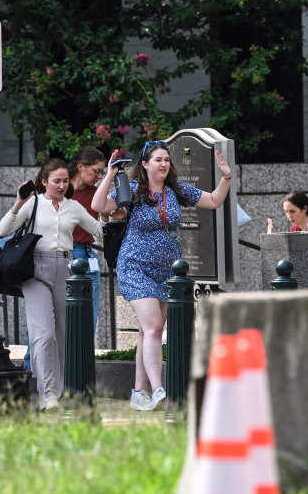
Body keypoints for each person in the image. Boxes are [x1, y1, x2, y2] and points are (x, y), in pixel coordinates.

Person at [91, 141, 232, 411]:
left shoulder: (175, 190)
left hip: (166, 270)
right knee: (155, 327)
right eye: (158, 159)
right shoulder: (132, 189)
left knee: (148, 331)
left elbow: (214, 200)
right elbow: (99, 205)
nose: (164, 164)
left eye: (167, 159)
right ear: (145, 165)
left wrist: (226, 176)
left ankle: (138, 392)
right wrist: (110, 174)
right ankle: (158, 389)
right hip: (135, 266)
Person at [0, 158, 104, 411]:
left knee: (62, 334)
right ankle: (48, 394)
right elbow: (3, 230)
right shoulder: (33, 202)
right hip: (35, 270)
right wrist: (18, 203)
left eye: (65, 181)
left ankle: (62, 389)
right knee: (43, 334)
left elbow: (99, 230)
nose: (61, 185)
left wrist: (115, 215)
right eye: (56, 181)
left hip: (65, 268)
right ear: (44, 182)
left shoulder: (74, 206)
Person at [68, 147, 108, 330]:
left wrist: (109, 215)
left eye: (102, 172)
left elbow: (103, 226)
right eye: (96, 171)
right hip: (61, 254)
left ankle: (82, 357)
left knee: (87, 319)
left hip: (87, 254)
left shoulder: (96, 193)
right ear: (80, 167)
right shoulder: (59, 188)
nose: (99, 176)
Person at [267, 190, 308, 263]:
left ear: (305, 209)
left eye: (292, 211)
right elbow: (291, 259)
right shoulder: (294, 229)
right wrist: (271, 241)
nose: (289, 216)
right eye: (286, 212)